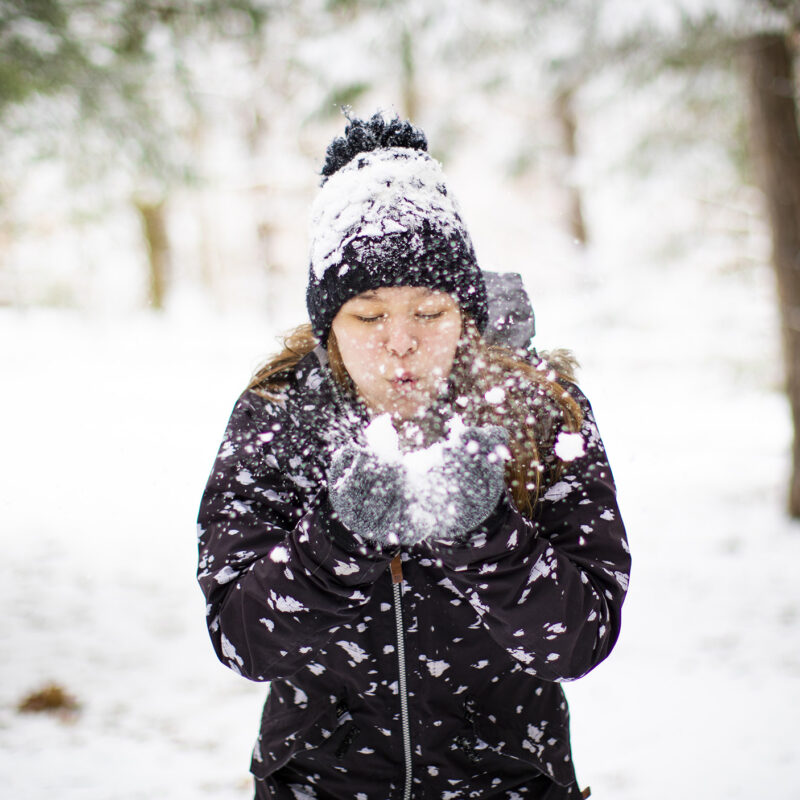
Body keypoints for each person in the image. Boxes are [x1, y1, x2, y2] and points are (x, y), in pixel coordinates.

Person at [197, 112, 630, 800]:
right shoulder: (277, 419)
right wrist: (335, 542)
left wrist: (485, 534)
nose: (399, 343)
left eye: (428, 313)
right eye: (368, 316)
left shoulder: (542, 416)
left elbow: (578, 641)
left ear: (467, 315)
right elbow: (244, 642)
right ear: (327, 327)